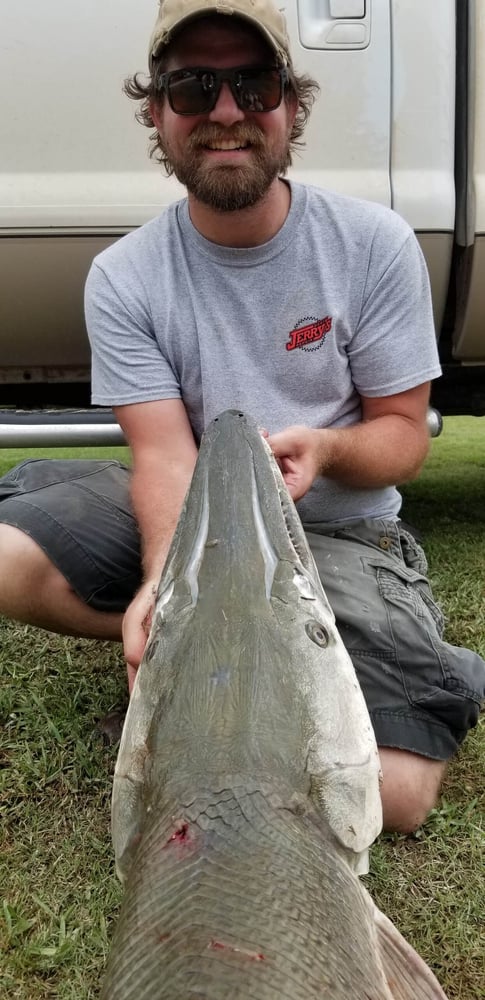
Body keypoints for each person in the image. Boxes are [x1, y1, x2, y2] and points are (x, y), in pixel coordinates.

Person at [0, 0, 483, 834]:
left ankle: (236, 676)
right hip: (198, 526)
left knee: (397, 797)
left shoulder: (373, 245)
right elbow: (161, 456)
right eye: (192, 87)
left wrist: (328, 449)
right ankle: (226, 659)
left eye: (252, 85)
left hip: (337, 533)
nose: (225, 112)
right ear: (156, 113)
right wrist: (164, 583)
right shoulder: (125, 276)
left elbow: (404, 438)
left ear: (291, 106)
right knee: (6, 557)